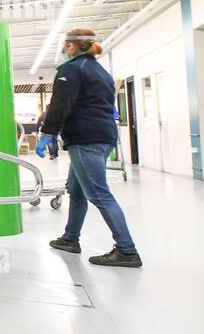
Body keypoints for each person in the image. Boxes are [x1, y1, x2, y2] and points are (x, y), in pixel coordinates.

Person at [39, 27, 140, 267]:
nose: (63, 50)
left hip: (86, 139)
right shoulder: (99, 70)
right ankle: (70, 238)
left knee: (98, 194)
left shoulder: (71, 69)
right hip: (103, 137)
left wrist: (47, 132)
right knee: (76, 189)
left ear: (72, 46)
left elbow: (60, 105)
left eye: (65, 45)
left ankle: (127, 250)